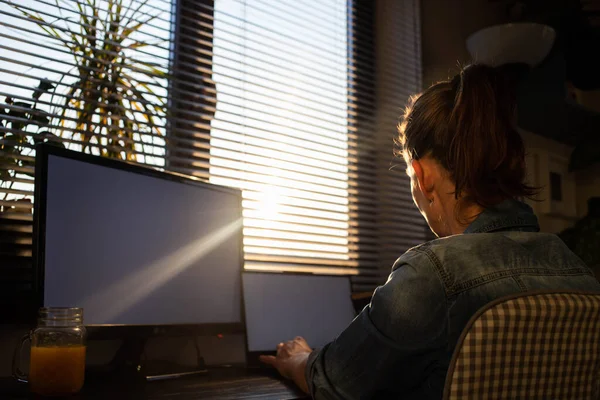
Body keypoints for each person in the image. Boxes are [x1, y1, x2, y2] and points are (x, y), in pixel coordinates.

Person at [259, 64, 600, 399]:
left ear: (422, 177)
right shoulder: (577, 269)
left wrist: (298, 359)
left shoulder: (433, 274)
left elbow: (334, 381)